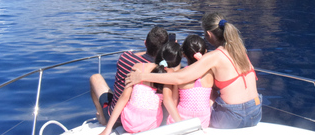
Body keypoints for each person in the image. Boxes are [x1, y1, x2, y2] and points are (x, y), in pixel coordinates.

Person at [126, 13, 262, 129]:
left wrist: (142, 76)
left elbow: (180, 78)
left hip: (233, 117)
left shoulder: (214, 56)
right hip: (256, 112)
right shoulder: (240, 50)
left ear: (209, 34)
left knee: (195, 111)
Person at [90, 26, 168, 126]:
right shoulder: (161, 70)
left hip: (117, 118)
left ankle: (102, 117)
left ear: (145, 43)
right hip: (144, 119)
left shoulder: (125, 57)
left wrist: (148, 50)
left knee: (95, 78)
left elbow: (137, 55)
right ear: (164, 50)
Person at [99, 41, 182, 135]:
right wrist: (181, 124)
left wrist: (108, 128)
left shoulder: (138, 67)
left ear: (159, 53)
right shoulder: (169, 74)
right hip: (150, 125)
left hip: (129, 123)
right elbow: (168, 100)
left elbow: (124, 97)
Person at [166, 34, 214, 128]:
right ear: (205, 51)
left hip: (183, 118)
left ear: (183, 54)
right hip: (202, 121)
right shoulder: (210, 74)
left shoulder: (179, 75)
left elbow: (174, 101)